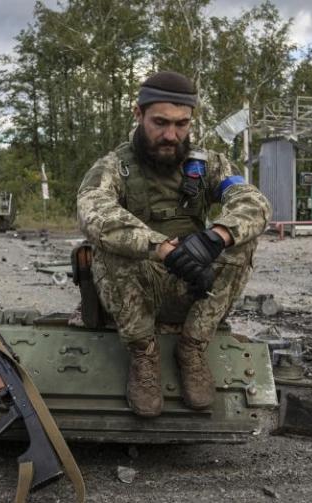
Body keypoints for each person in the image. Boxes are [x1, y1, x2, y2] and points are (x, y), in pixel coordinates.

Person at [76, 71, 271, 418]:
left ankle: (192, 347)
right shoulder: (113, 168)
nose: (171, 135)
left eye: (181, 124)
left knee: (243, 239)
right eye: (160, 122)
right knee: (109, 243)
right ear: (138, 115)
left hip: (193, 290)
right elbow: (94, 212)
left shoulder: (208, 165)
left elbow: (253, 202)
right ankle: (143, 354)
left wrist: (217, 237)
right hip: (136, 291)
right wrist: (164, 249)